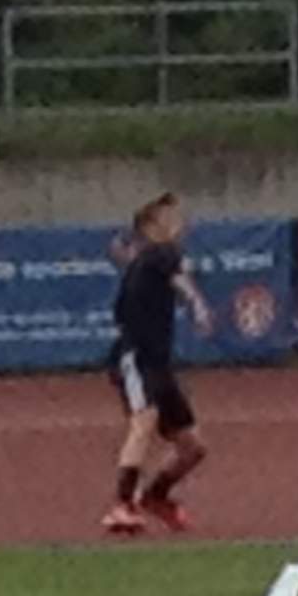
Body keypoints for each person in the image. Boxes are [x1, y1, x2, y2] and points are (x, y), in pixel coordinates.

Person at [103, 192, 213, 536]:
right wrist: (197, 305)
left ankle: (155, 496)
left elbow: (136, 262)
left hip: (160, 363)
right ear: (151, 226)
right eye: (170, 218)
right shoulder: (161, 253)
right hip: (135, 357)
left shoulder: (146, 259)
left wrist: (125, 254)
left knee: (192, 448)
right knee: (144, 420)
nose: (179, 224)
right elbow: (179, 280)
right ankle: (122, 505)